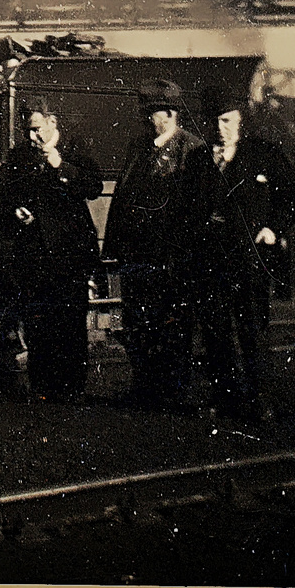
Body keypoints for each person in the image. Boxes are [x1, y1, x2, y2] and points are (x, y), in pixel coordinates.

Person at [180, 87, 295, 425]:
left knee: (252, 332)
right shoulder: (197, 160)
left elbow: (294, 194)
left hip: (250, 261)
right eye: (216, 121)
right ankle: (225, 400)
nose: (221, 128)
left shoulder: (264, 154)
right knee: (216, 333)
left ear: (241, 121)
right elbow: (184, 210)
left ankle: (259, 399)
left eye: (228, 120)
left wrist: (274, 228)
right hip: (210, 261)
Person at [104, 79, 205, 412]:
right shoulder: (139, 147)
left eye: (153, 112)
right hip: (138, 254)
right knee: (138, 325)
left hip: (172, 258)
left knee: (172, 328)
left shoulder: (191, 149)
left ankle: (173, 393)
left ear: (171, 113)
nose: (147, 118)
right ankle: (144, 388)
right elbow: (122, 196)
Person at [4, 102, 104, 401]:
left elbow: (93, 186)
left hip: (69, 252)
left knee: (70, 322)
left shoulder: (75, 149)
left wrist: (60, 164)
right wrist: (17, 209)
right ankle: (43, 388)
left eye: (37, 128)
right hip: (34, 252)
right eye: (28, 131)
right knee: (38, 323)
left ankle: (72, 389)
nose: (32, 136)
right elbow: (9, 193)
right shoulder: (19, 156)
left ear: (52, 122)